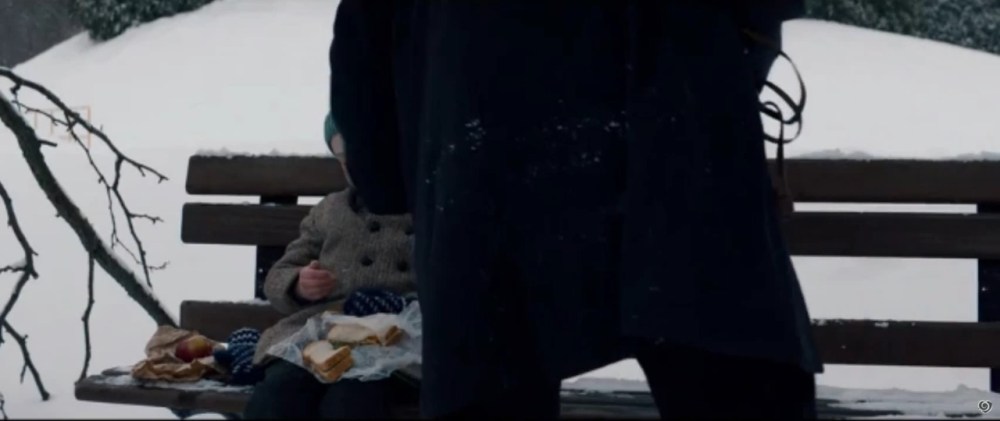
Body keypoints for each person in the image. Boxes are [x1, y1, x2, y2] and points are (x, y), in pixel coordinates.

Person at [329, 1, 820, 419]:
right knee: (732, 374)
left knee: (491, 367)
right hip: (674, 150)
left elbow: (364, 41)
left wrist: (388, 172)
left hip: (488, 169)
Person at [242, 113, 418, 419]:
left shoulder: (427, 207)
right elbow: (280, 273)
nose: (354, 166)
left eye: (363, 155)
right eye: (343, 159)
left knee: (350, 402)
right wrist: (299, 284)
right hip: (322, 333)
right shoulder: (330, 211)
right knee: (278, 393)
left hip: (395, 340)